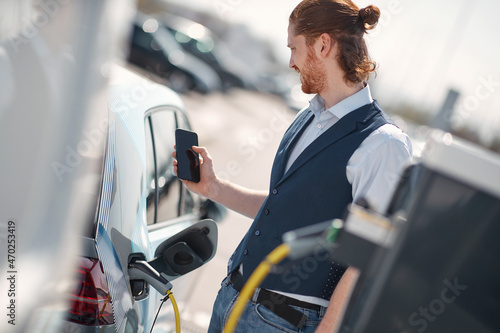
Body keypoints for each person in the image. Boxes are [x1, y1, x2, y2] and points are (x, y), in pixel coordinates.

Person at [173, 0, 412, 332]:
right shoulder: (309, 118)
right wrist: (213, 188)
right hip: (233, 298)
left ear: (323, 44)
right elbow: (282, 209)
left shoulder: (384, 144)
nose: (290, 62)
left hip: (284, 323)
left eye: (294, 48)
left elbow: (365, 261)